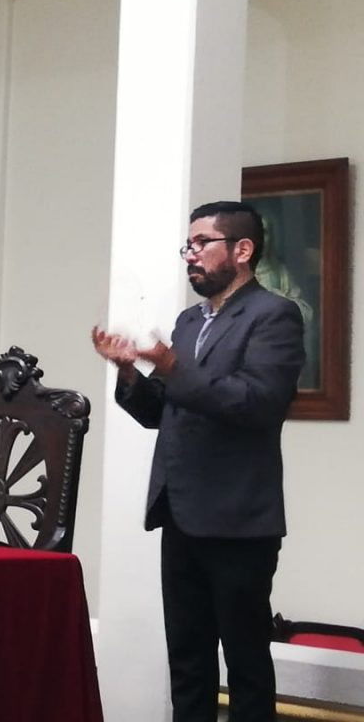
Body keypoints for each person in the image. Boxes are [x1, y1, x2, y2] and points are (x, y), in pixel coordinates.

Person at [92, 201, 305, 722]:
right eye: (187, 246)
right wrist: (129, 372)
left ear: (242, 249)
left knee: (246, 661)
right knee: (187, 660)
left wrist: (172, 367)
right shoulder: (190, 322)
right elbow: (162, 412)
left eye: (201, 243)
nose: (190, 255)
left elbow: (254, 403)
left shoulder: (273, 315)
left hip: (239, 519)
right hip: (182, 513)